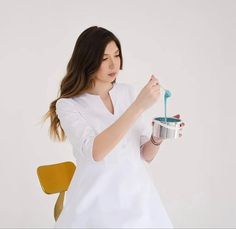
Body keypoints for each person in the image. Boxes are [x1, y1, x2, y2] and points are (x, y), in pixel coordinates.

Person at [43, 26, 184, 228]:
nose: (113, 64)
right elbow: (96, 152)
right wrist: (139, 106)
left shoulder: (128, 93)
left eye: (116, 55)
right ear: (87, 61)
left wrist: (157, 136)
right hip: (96, 202)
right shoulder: (68, 105)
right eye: (104, 58)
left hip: (138, 197)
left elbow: (145, 155)